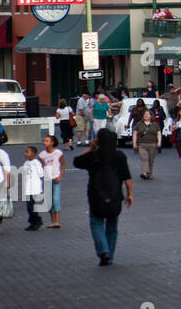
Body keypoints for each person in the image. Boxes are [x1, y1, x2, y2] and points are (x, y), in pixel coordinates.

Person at [73, 128, 133, 266]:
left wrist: (91, 148)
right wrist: (130, 194)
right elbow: (127, 177)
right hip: (115, 195)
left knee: (96, 223)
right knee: (112, 226)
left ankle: (103, 251)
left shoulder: (95, 155)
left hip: (96, 194)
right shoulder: (119, 156)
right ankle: (110, 255)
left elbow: (77, 161)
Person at [38, 134, 64, 228]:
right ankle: (52, 221)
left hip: (56, 179)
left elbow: (63, 165)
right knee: (50, 201)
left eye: (47, 141)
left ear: (52, 143)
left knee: (56, 199)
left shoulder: (58, 153)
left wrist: (60, 176)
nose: (44, 142)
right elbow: (42, 166)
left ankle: (57, 221)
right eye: (44, 141)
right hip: (47, 180)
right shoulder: (42, 155)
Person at [20, 146, 45, 231]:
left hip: (35, 189)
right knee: (29, 207)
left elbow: (41, 174)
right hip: (28, 188)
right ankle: (33, 222)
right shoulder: (26, 163)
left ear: (33, 154)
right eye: (25, 152)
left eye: (27, 152)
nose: (25, 154)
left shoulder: (36, 163)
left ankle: (36, 221)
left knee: (32, 207)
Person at [132, 105, 161, 180]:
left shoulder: (155, 124)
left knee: (151, 159)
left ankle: (150, 173)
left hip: (152, 144)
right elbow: (135, 133)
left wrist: (159, 142)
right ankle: (144, 172)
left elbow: (158, 133)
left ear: (151, 116)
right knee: (144, 158)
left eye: (147, 114)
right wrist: (134, 143)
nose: (145, 115)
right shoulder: (139, 124)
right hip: (142, 144)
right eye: (145, 114)